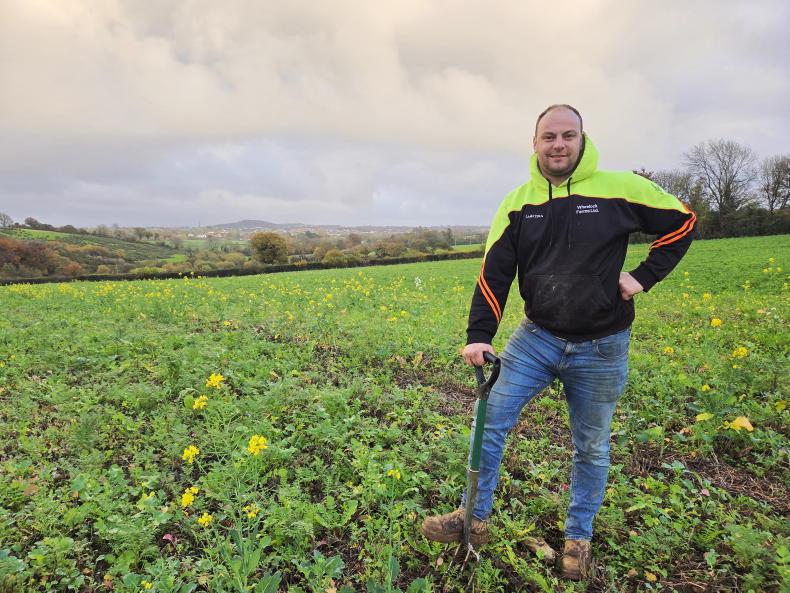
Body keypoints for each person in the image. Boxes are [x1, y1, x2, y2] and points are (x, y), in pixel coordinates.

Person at [420, 104, 696, 580]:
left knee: (590, 446)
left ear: (582, 139)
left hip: (602, 346)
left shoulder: (621, 187)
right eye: (549, 136)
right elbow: (494, 272)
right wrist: (479, 335)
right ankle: (474, 517)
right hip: (536, 339)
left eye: (568, 135)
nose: (559, 144)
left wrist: (643, 277)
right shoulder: (518, 202)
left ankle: (577, 540)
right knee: (489, 423)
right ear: (535, 143)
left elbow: (683, 222)